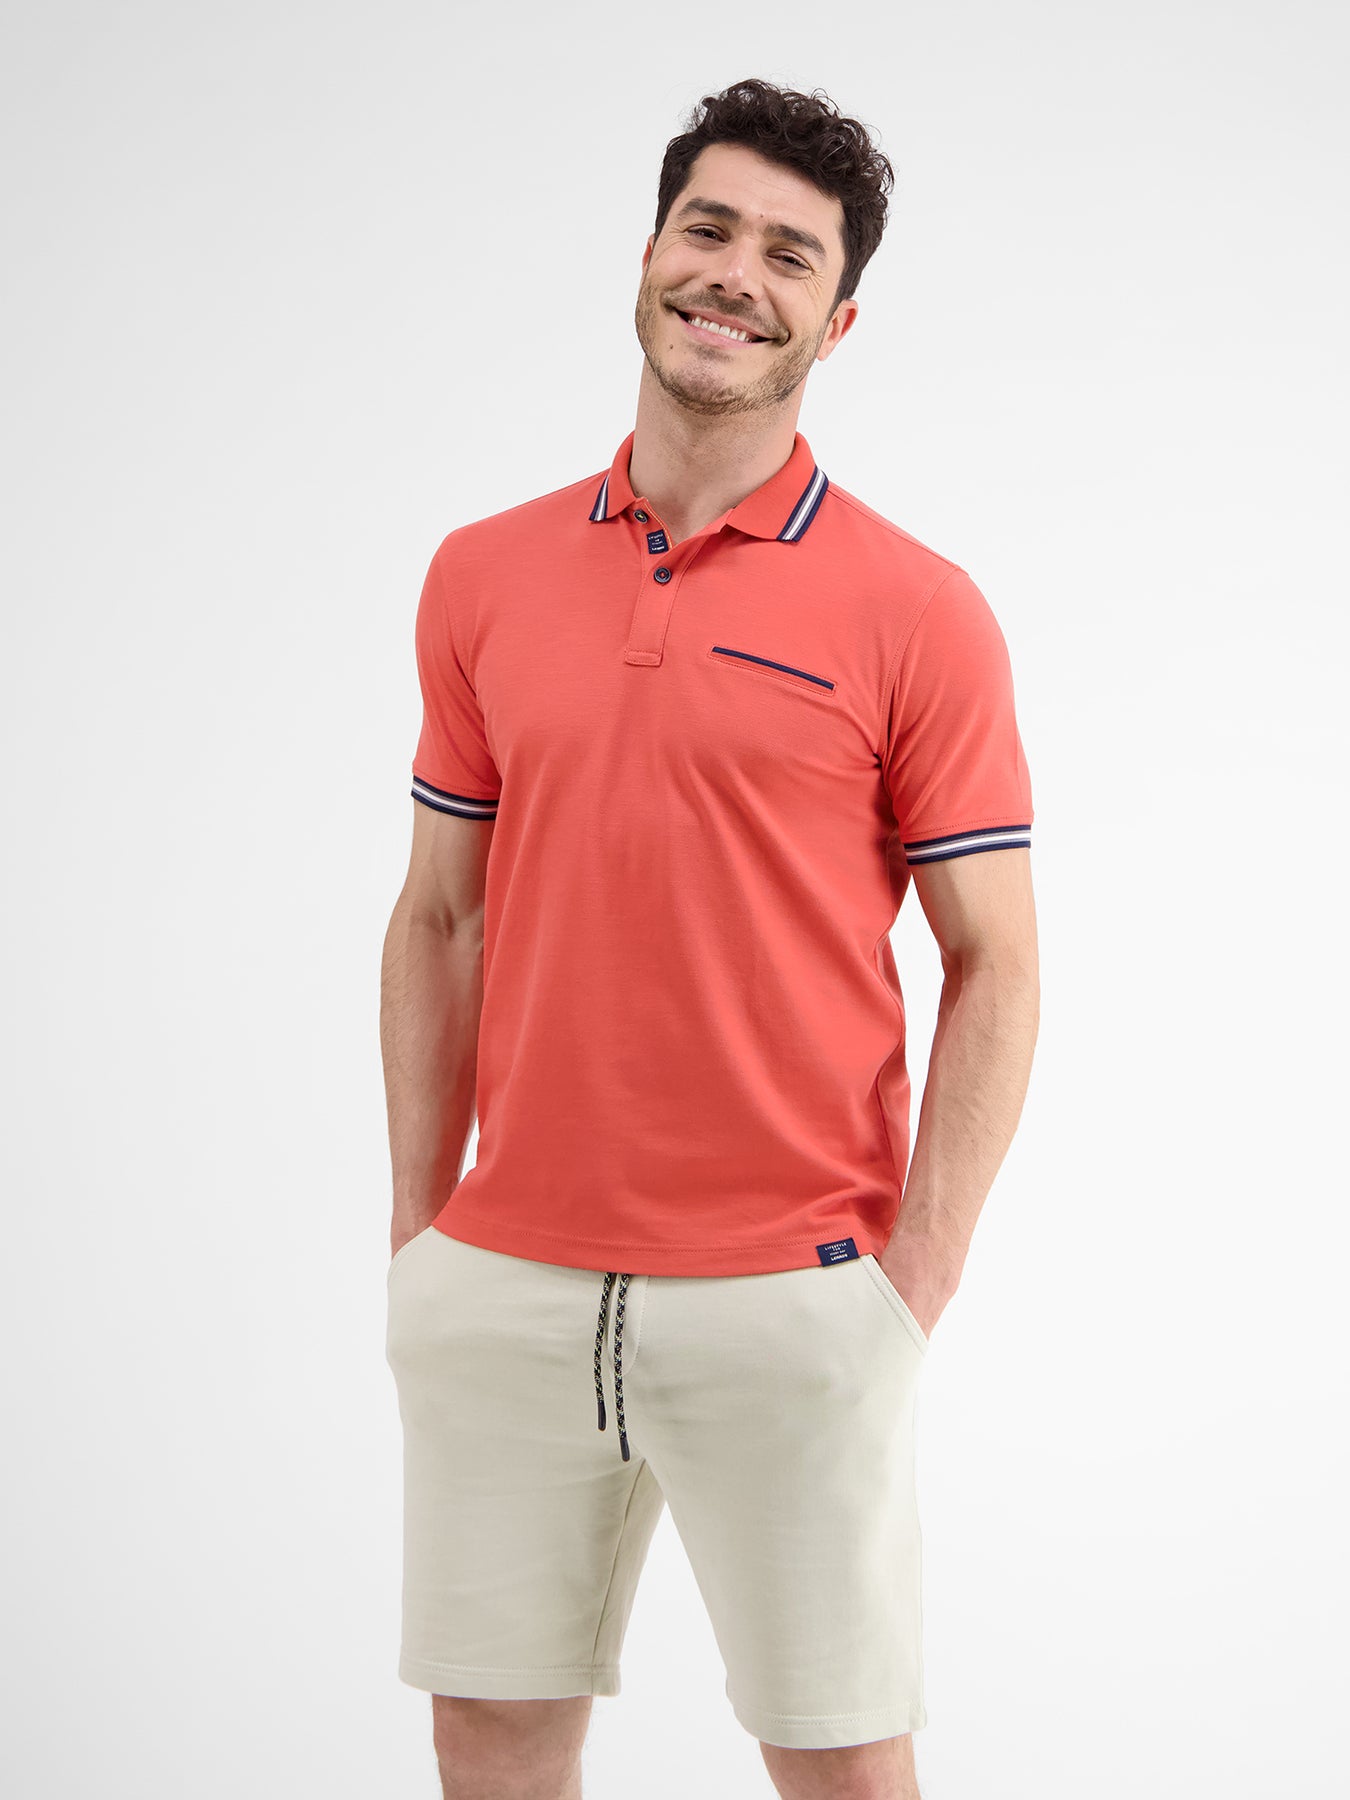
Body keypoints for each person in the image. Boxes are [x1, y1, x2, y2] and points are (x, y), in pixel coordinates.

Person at [380, 75, 1039, 1800]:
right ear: (650, 253)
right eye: (708, 228)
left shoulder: (917, 610)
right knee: (488, 1742)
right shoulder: (480, 573)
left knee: (839, 1763)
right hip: (505, 1279)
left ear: (837, 319)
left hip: (790, 1292)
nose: (734, 274)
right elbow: (440, 912)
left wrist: (912, 1281)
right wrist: (419, 1232)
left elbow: (995, 961)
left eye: (787, 255)